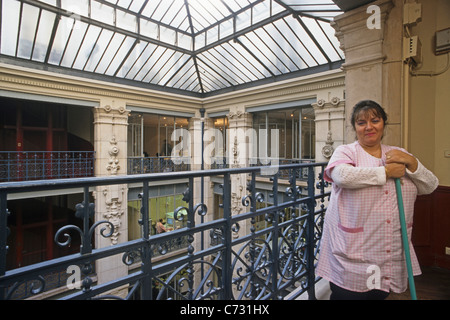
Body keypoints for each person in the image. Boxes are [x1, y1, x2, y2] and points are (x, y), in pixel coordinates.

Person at [316, 100, 439, 300]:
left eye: (375, 120)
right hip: (353, 254)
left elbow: (430, 185)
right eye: (361, 122)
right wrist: (386, 172)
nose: (369, 127)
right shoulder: (347, 151)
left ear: (383, 124)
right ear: (355, 128)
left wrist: (412, 163)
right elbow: (342, 176)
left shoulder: (399, 154)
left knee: (378, 295)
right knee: (348, 295)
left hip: (387, 251)